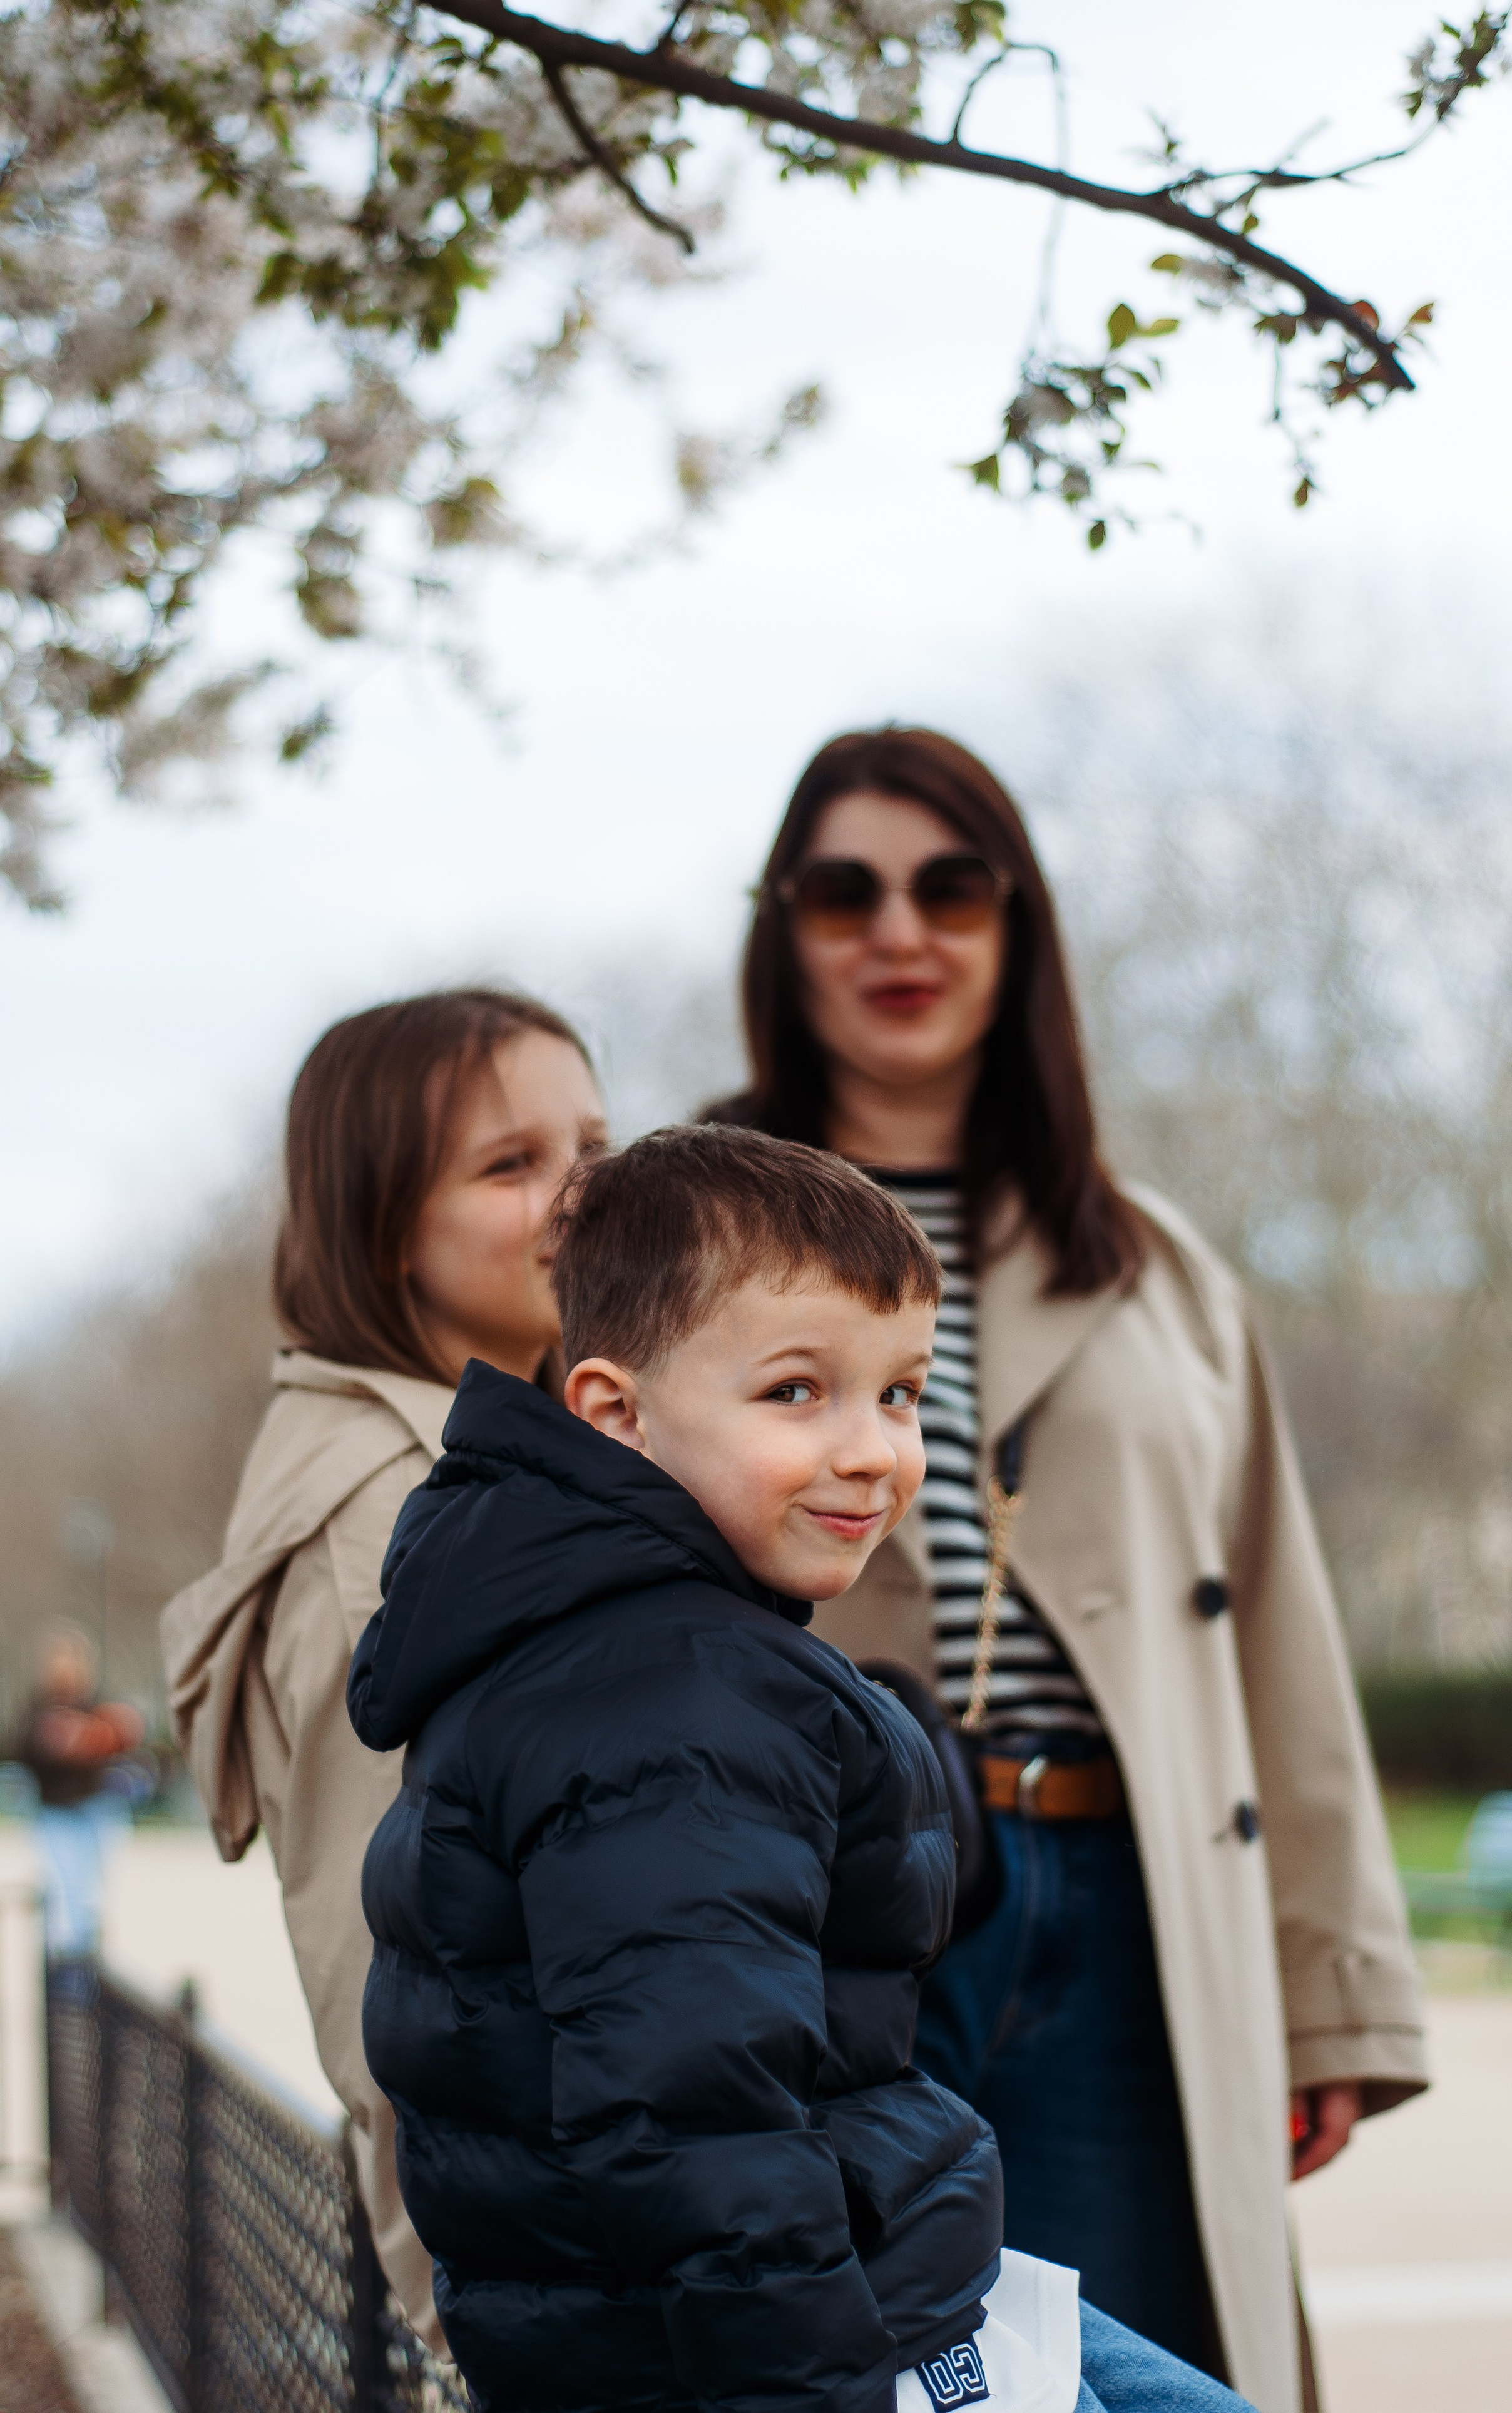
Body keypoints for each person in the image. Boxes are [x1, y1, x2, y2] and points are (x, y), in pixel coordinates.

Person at [706, 729, 1429, 2413]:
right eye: (845, 889)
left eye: (953, 885)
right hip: (816, 1912)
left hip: (1126, 1915)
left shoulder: (1157, 1259)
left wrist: (1330, 1997)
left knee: (1132, 2374)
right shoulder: (677, 1227)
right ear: (782, 928)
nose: (903, 930)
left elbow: (1275, 1635)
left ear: (1017, 926)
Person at [348, 1123, 1256, 2413]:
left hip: (852, 2279)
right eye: (795, 1391)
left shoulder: (636, 1650)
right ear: (616, 1411)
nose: (871, 1449)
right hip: (802, 2342)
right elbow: (695, 2135)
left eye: (898, 1392)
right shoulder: (669, 1695)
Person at [161, 988, 605, 2352]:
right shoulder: (395, 1528)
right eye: (509, 1164)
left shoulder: (509, 1455)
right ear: (380, 1221)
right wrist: (496, 2330)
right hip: (589, 2288)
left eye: (592, 1146)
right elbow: (396, 1999)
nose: (581, 1195)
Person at [14, 1624, 144, 1960]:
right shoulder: (36, 1710)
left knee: (93, 1893)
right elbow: (25, 1753)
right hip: (57, 1812)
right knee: (65, 1891)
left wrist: (95, 1737)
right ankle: (72, 1962)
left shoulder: (95, 1706)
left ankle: (92, 1957)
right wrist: (54, 1742)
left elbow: (119, 1746)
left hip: (94, 1809)